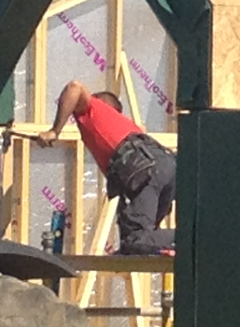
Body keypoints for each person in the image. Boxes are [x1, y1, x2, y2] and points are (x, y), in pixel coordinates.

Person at [37, 81, 176, 256]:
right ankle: (175, 245)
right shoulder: (121, 132)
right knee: (139, 241)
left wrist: (54, 131)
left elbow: (74, 88)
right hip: (163, 166)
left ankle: (194, 238)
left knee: (137, 239)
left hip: (143, 169)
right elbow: (119, 197)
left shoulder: (94, 110)